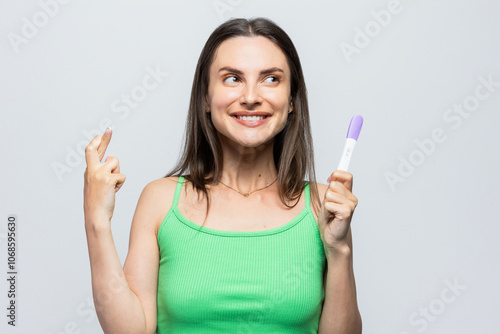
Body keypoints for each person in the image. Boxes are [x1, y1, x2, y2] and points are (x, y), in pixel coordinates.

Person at [84, 17, 361, 334]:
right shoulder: (160, 201)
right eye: (232, 79)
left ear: (292, 101)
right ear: (205, 97)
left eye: (271, 79)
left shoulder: (324, 206)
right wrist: (96, 219)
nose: (251, 96)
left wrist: (339, 250)